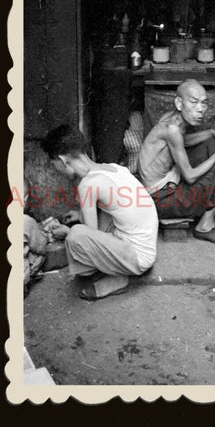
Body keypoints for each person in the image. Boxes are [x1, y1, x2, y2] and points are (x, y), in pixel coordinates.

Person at [42, 124, 158, 301]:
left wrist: (66, 232)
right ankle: (116, 268)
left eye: (53, 164)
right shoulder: (113, 168)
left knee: (75, 236)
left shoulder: (87, 185)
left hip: (137, 258)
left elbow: (90, 236)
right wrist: (79, 215)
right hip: (145, 246)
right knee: (99, 214)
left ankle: (118, 277)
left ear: (63, 160)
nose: (55, 169)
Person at [137, 79, 215, 244]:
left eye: (204, 103)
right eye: (194, 102)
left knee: (211, 142)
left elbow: (182, 142)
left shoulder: (170, 119)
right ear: (179, 103)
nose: (201, 109)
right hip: (161, 201)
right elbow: (190, 177)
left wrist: (211, 132)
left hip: (165, 188)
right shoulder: (171, 129)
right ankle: (204, 226)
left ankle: (207, 208)